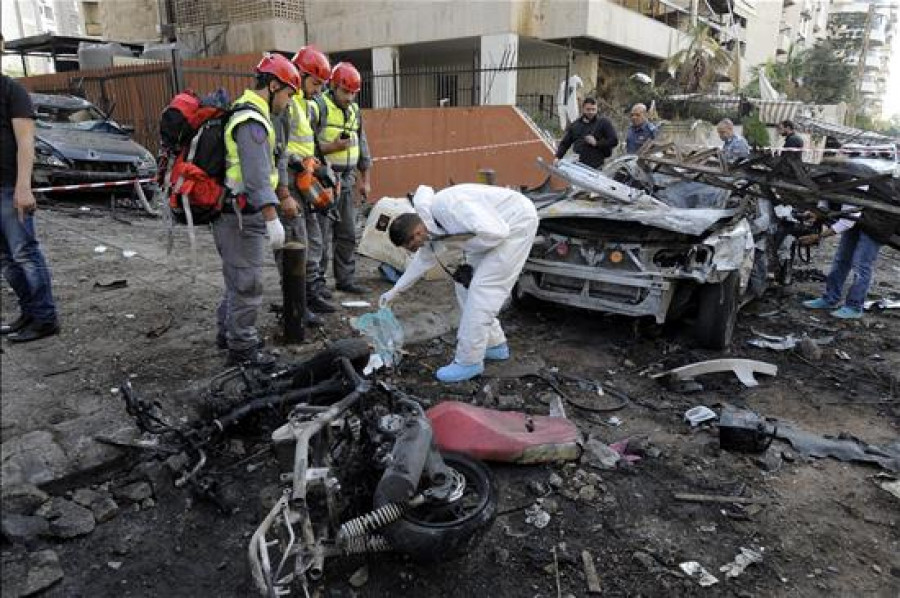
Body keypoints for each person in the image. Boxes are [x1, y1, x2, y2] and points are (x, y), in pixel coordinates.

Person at [380, 184, 538, 383]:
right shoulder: (430, 225)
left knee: (483, 289)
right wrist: (395, 291)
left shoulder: (450, 209)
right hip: (490, 231)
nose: (414, 250)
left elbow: (497, 233)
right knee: (464, 285)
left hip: (515, 224)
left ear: (418, 233)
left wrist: (464, 247)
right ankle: (493, 344)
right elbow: (423, 260)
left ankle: (468, 361)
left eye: (412, 246)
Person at [214, 53, 300, 366]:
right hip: (240, 216)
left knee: (236, 280)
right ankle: (243, 351)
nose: (289, 102)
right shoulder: (252, 120)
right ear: (274, 85)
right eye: (289, 93)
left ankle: (228, 334)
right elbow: (255, 176)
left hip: (235, 214)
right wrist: (272, 218)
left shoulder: (255, 114)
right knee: (248, 283)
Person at [274, 46, 335, 323]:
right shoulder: (286, 104)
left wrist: (315, 165)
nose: (318, 90)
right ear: (301, 74)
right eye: (315, 83)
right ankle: (296, 306)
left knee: (309, 239)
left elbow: (304, 142)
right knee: (294, 242)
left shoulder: (305, 104)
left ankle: (308, 294)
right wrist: (297, 165)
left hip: (304, 178)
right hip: (289, 178)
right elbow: (279, 148)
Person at [1, 64, 60, 342]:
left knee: (24, 254)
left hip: (9, 188)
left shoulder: (11, 90)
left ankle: (45, 320)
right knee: (6, 260)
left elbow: (26, 143)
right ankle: (29, 313)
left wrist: (23, 187)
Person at [315, 61, 373, 296]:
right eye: (345, 91)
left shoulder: (354, 112)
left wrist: (365, 179)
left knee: (347, 233)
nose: (349, 97)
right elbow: (307, 147)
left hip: (347, 180)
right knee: (321, 234)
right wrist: (333, 147)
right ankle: (317, 283)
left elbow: (364, 147)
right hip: (323, 180)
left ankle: (345, 279)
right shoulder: (319, 107)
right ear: (333, 86)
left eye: (353, 93)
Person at [553, 97, 618, 169]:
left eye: (593, 109)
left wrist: (597, 143)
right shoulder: (576, 124)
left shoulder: (603, 123)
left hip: (595, 166)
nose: (591, 112)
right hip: (577, 164)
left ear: (597, 109)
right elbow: (565, 143)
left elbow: (614, 140)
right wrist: (558, 157)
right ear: (583, 109)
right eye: (588, 109)